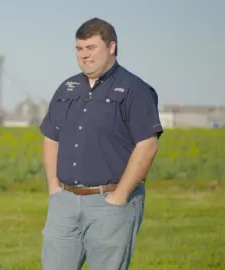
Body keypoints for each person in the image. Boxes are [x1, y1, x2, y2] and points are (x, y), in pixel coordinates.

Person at [39, 17, 164, 270]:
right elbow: (51, 138)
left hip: (110, 202)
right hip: (65, 202)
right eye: (79, 48)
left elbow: (147, 145)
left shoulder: (135, 90)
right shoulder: (67, 89)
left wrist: (120, 196)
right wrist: (55, 189)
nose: (84, 55)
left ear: (111, 47)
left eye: (91, 47)